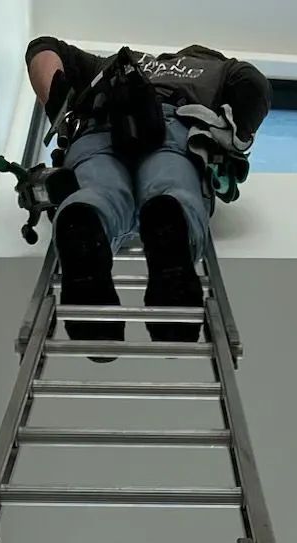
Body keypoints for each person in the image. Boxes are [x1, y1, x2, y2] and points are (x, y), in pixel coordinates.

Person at [24, 38, 271, 345]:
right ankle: (168, 227)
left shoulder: (117, 63)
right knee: (171, 188)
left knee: (96, 191)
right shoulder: (221, 69)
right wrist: (234, 135)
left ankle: (86, 222)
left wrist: (59, 105)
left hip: (99, 129)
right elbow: (255, 85)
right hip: (172, 129)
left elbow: (43, 47)